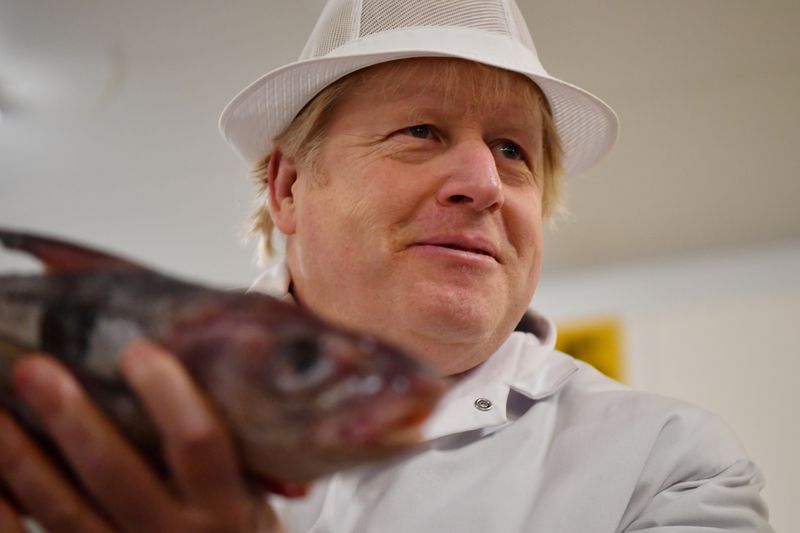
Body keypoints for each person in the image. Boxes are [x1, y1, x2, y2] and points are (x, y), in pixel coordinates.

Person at [0, 0, 773, 531]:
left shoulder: (671, 466)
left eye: (514, 151)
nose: (483, 183)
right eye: (421, 130)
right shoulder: (84, 396)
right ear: (290, 185)